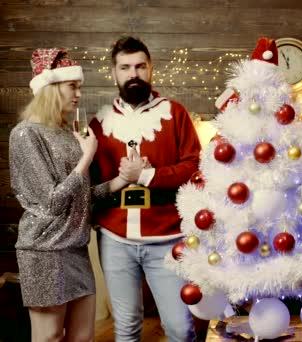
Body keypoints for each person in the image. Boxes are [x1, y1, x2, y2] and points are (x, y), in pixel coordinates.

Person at [89, 36, 201, 341]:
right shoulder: (99, 122)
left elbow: (194, 166)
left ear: (151, 69)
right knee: (126, 328)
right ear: (114, 73)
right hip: (116, 240)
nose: (133, 73)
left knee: (179, 327)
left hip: (167, 237)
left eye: (140, 66)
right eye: (125, 67)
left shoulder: (175, 114)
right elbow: (91, 187)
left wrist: (149, 175)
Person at [9, 48, 100, 342]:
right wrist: (86, 160)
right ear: (50, 87)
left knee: (82, 336)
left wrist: (123, 180)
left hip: (76, 249)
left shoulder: (66, 132)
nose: (78, 94)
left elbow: (80, 194)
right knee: (48, 337)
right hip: (44, 251)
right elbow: (50, 202)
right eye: (72, 86)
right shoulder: (25, 134)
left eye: (79, 87)